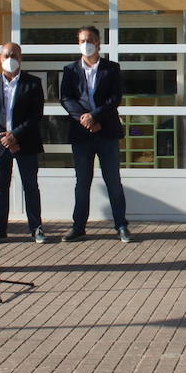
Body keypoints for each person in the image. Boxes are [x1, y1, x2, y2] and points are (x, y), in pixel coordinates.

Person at [60, 26, 134, 243]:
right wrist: (84, 118)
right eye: (83, 40)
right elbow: (66, 98)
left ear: (99, 42)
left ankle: (121, 225)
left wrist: (96, 117)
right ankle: (78, 226)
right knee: (82, 182)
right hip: (82, 134)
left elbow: (115, 98)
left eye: (91, 39)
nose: (87, 43)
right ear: (78, 43)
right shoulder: (70, 70)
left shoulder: (112, 68)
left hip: (107, 132)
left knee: (113, 181)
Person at [0, 42, 47, 244]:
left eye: (14, 55)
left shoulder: (33, 83)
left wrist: (15, 136)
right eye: (6, 55)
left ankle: (36, 228)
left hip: (26, 143)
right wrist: (4, 138)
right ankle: (0, 230)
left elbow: (36, 115)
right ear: (0, 59)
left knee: (30, 186)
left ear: (20, 58)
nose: (10, 59)